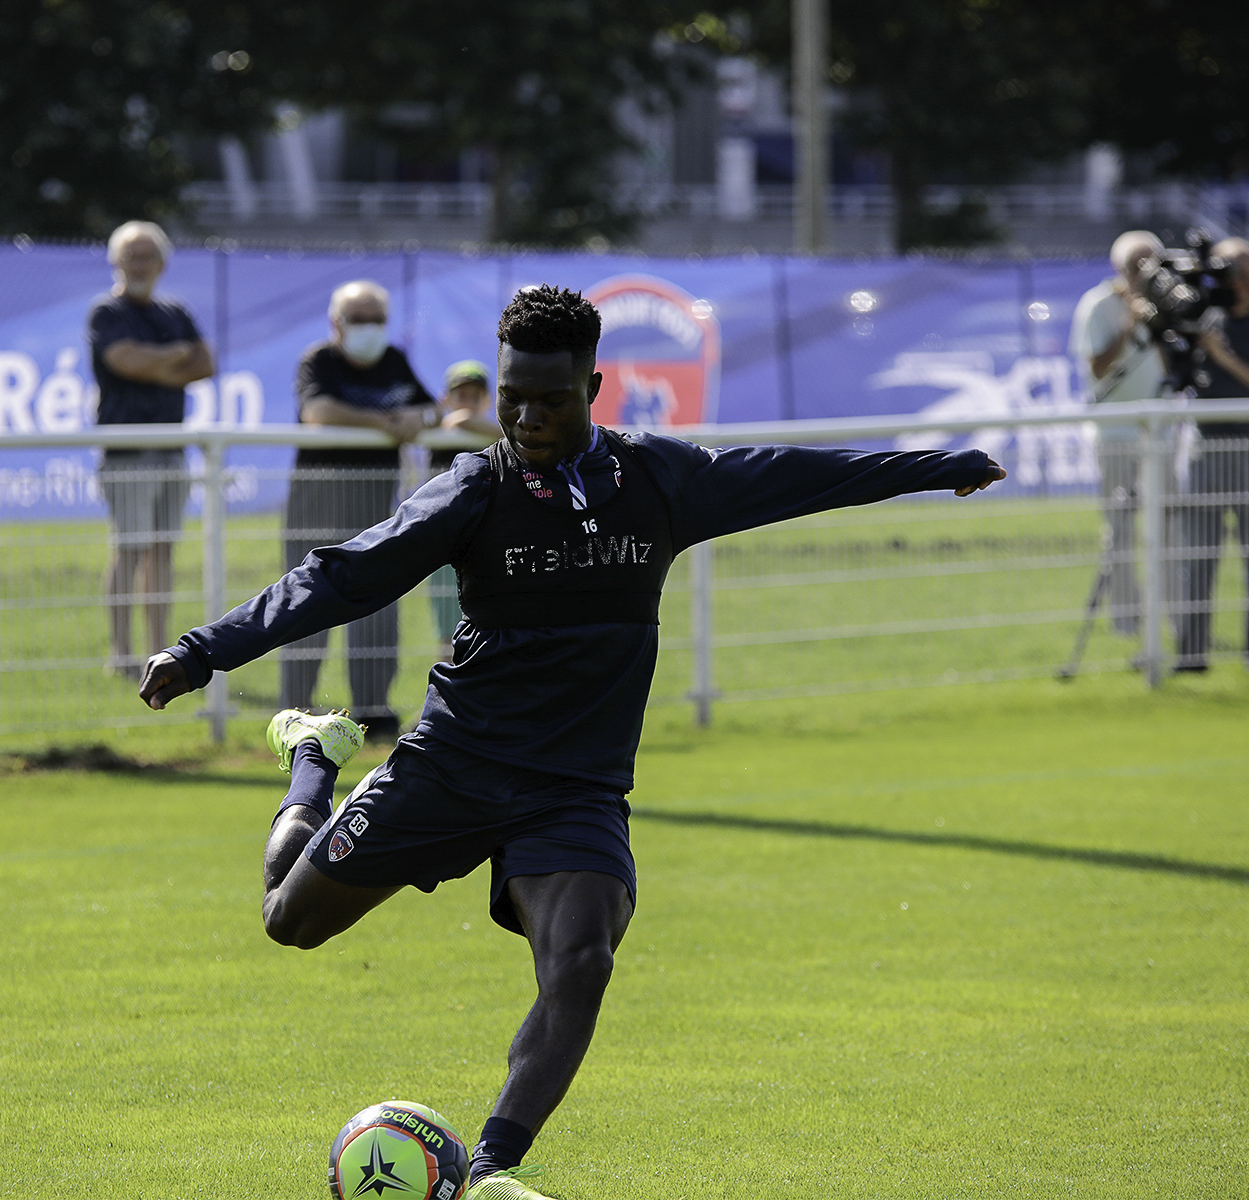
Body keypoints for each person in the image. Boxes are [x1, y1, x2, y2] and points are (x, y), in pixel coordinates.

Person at [139, 286, 1005, 1199]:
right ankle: (314, 760)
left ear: (592, 387)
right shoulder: (476, 489)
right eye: (512, 397)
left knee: (583, 961)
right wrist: (201, 651)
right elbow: (340, 577)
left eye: (549, 400)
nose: (524, 418)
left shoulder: (657, 480)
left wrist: (934, 467)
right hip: (454, 764)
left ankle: (490, 1172)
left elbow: (794, 476)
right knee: (289, 920)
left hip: (574, 788)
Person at [281, 280, 442, 739]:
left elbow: (431, 407)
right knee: (305, 602)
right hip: (316, 501)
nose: (369, 327)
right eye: (359, 319)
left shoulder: (393, 360)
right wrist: (383, 423)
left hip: (375, 505)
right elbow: (317, 410)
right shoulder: (318, 360)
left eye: (377, 319)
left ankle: (373, 710)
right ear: (336, 323)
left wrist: (419, 418)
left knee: (377, 603)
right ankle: (295, 711)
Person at [88, 220, 214, 678]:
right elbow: (123, 361)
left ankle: (157, 650)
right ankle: (121, 653)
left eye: (148, 256)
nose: (139, 264)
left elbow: (206, 363)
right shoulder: (106, 312)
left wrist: (152, 364)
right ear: (115, 261)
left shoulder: (174, 311)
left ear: (162, 263)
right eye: (131, 255)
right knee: (129, 549)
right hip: (127, 451)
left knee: (162, 551)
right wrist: (173, 357)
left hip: (171, 449)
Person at [1173, 236, 1249, 672]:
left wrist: (1222, 355)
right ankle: (1190, 656)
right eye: (1236, 274)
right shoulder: (1200, 318)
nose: (1244, 282)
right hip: (1205, 448)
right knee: (1197, 555)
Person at [1069, 230, 1168, 637]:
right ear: (1118, 269)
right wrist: (1130, 323)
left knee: (1169, 524)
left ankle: (1174, 616)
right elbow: (1097, 368)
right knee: (1121, 530)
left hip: (1161, 430)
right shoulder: (1097, 304)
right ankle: (1128, 621)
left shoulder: (1169, 304)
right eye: (1135, 266)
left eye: (1151, 264)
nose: (1143, 273)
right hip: (1114, 432)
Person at [427, 359, 499, 657]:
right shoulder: (442, 434)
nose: (467, 402)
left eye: (474, 396)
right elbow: (457, 421)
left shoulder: (492, 440)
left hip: (485, 541)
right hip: (445, 543)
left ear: (487, 400)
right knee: (449, 635)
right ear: (446, 399)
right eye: (461, 395)